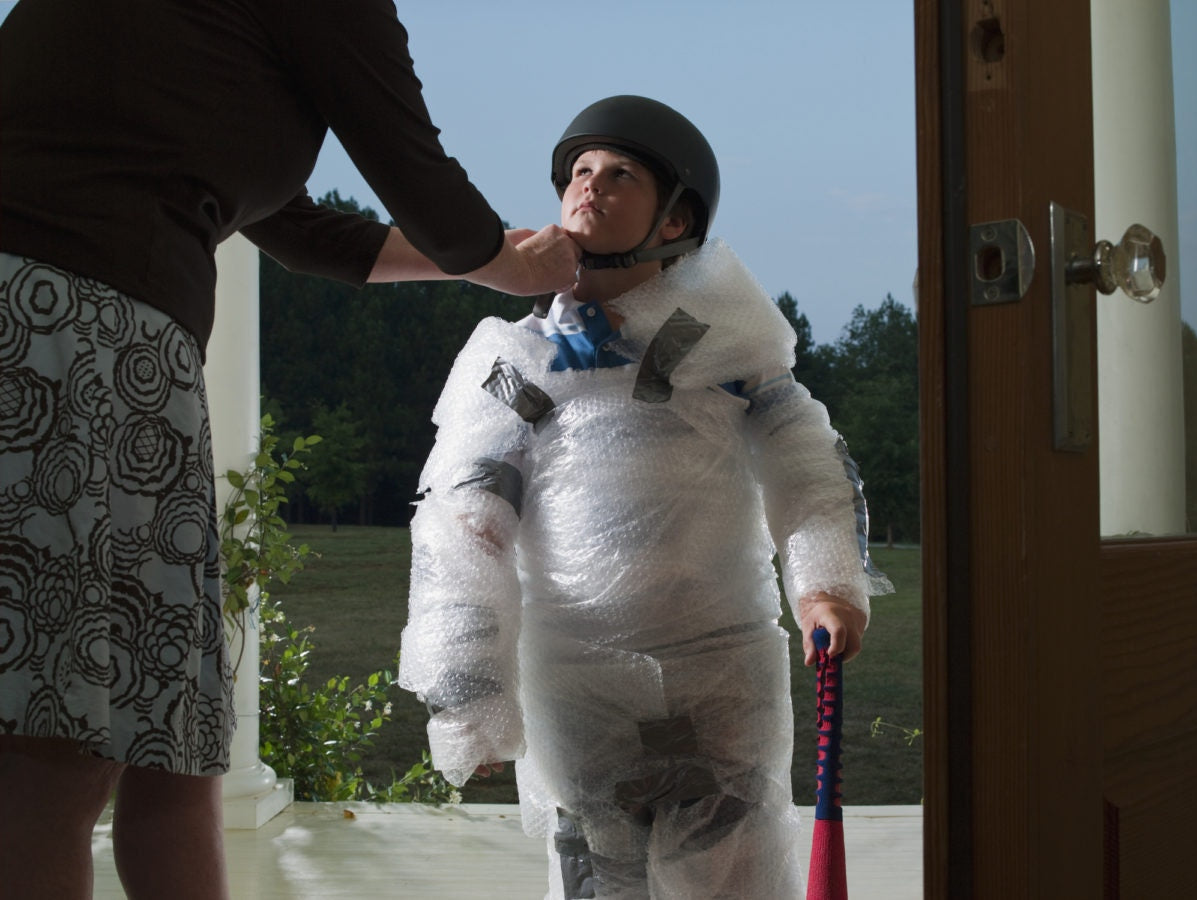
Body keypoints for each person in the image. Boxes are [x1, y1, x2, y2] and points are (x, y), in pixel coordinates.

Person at [0, 1, 579, 897]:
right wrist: (501, 261)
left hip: (117, 350)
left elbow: (290, 225)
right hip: (63, 338)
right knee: (54, 750)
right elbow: (415, 172)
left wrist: (479, 256)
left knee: (174, 739)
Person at [398, 94, 891, 899]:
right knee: (596, 876)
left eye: (620, 173)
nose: (588, 187)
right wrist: (468, 691)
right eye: (578, 172)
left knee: (735, 875)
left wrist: (826, 584)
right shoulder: (520, 365)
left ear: (674, 220)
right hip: (579, 693)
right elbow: (465, 523)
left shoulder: (720, 345)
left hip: (719, 680)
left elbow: (802, 457)